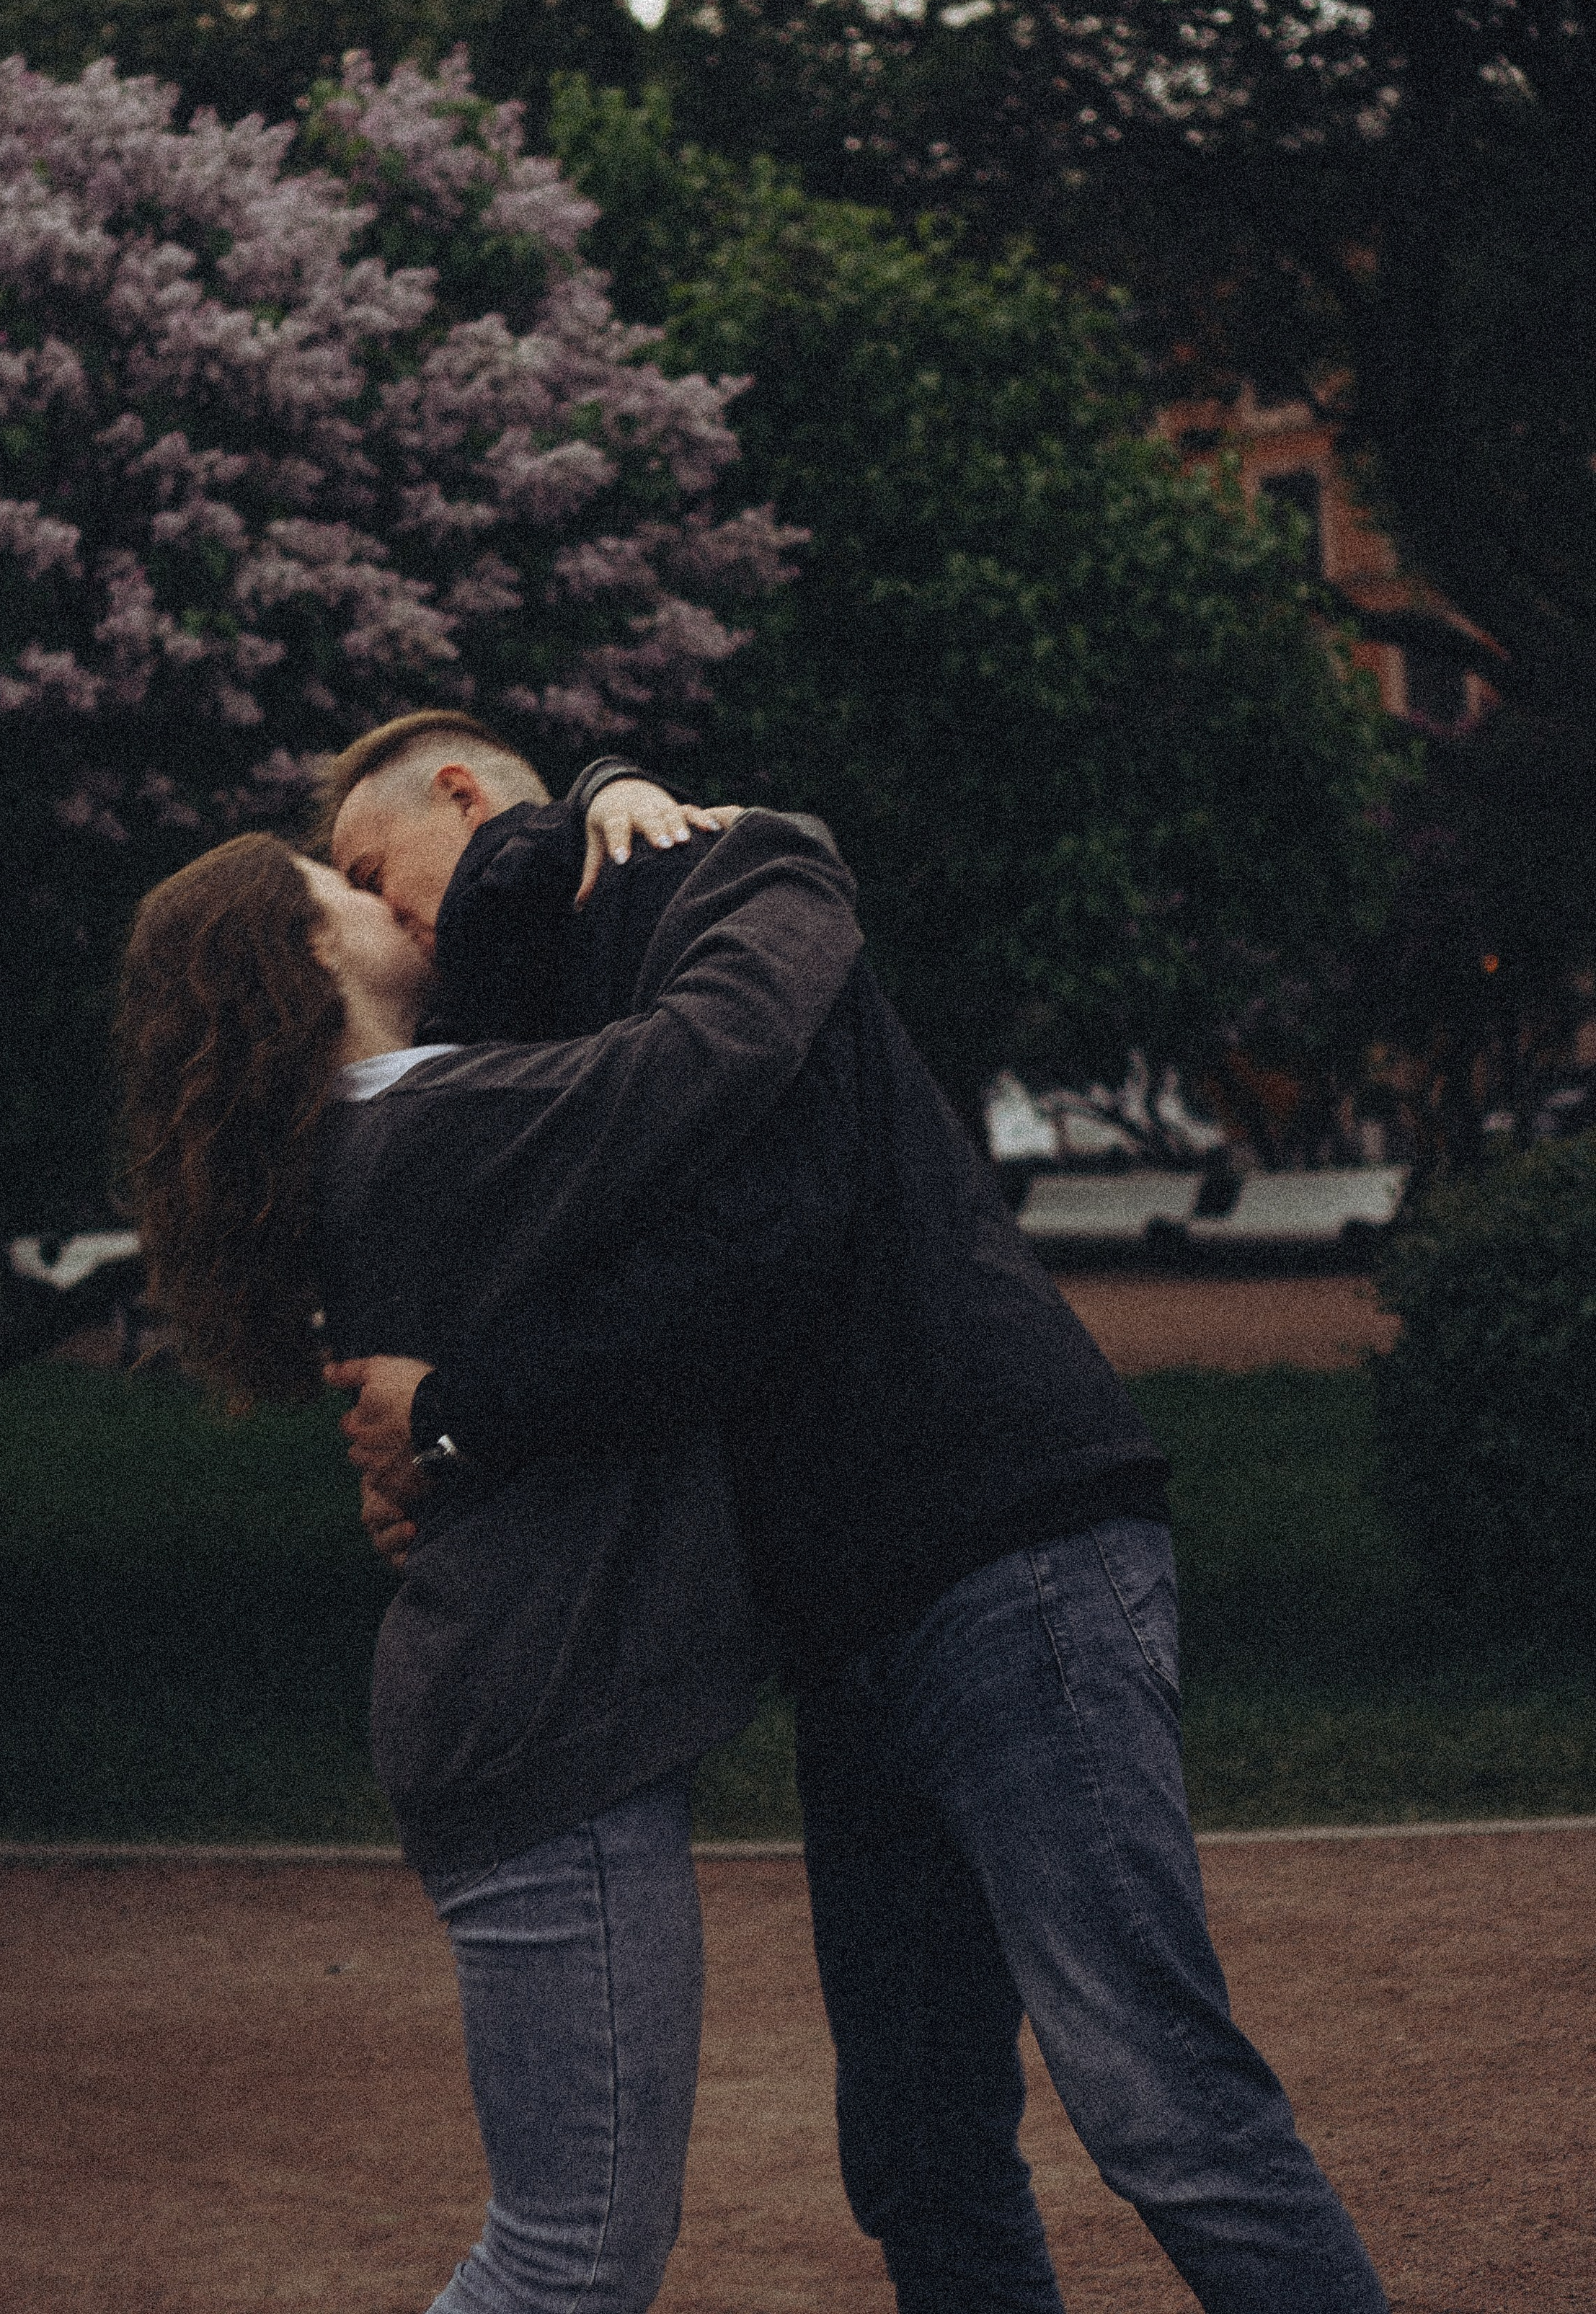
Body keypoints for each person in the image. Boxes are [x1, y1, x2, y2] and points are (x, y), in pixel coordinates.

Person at [321, 712, 1391, 2314]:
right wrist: (425, 1453)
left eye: (364, 867)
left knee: (1159, 2101)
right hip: (849, 1617)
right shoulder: (547, 1017)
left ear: (464, 794)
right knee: (914, 2148)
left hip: (1002, 1544)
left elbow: (769, 1246)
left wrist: (463, 1412)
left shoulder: (693, 876)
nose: (376, 907)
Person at [115, 805, 864, 2314]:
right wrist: (783, 853)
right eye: (343, 882)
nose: (385, 892)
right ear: (310, 953)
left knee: (575, 2245)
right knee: (569, 2253)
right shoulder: (423, 1129)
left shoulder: (398, 1127)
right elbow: (714, 1049)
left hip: (519, 1715)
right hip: (539, 1729)